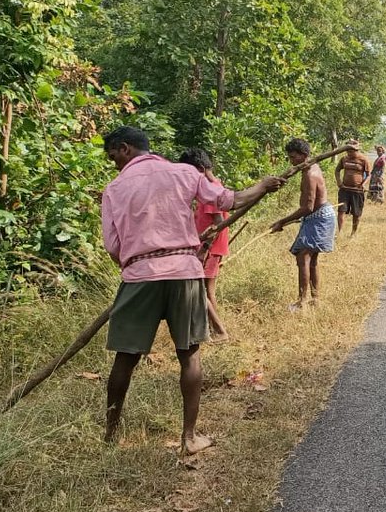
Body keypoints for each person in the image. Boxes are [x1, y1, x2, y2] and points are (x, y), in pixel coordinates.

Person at [100, 126, 282, 454]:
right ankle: (189, 438)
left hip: (139, 276)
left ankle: (110, 437)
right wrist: (263, 186)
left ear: (125, 148)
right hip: (184, 272)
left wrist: (135, 267)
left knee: (125, 358)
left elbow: (113, 246)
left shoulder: (115, 188)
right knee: (189, 354)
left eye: (114, 156)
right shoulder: (185, 173)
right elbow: (230, 200)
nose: (115, 163)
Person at [271, 138, 334, 311]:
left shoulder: (310, 174)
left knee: (303, 257)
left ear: (304, 155)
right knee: (311, 259)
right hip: (317, 217)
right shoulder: (310, 169)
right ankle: (315, 299)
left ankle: (302, 302)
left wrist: (282, 221)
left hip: (319, 218)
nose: (291, 161)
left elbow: (307, 207)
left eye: (293, 157)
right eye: (290, 157)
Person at [177, 149, 231, 343]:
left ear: (200, 169)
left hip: (209, 249)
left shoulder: (210, 191)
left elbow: (218, 223)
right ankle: (212, 329)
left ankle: (219, 331)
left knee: (202, 289)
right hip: (210, 247)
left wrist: (204, 249)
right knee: (206, 289)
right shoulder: (215, 187)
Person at [334, 139, 369, 237]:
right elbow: (337, 170)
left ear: (356, 150)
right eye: (347, 151)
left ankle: (353, 233)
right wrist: (339, 182)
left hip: (357, 191)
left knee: (356, 213)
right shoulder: (344, 159)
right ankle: (340, 232)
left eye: (351, 151)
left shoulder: (363, 160)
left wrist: (364, 184)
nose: (349, 153)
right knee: (341, 211)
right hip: (344, 190)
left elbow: (368, 174)